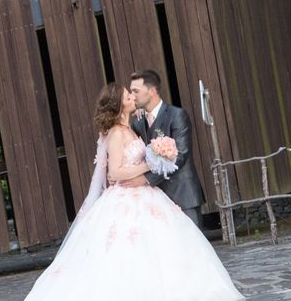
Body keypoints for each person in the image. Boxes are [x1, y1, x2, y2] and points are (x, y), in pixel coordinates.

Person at [23, 83, 245, 301]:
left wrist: (158, 159)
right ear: (119, 104)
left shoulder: (130, 128)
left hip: (146, 193)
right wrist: (150, 166)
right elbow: (115, 173)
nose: (132, 97)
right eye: (127, 96)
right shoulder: (117, 134)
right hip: (125, 197)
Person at [120, 69, 205, 229]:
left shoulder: (177, 115)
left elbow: (180, 155)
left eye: (136, 91)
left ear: (152, 91)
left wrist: (145, 179)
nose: (132, 95)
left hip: (183, 194)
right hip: (156, 201)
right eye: (131, 92)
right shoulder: (138, 123)